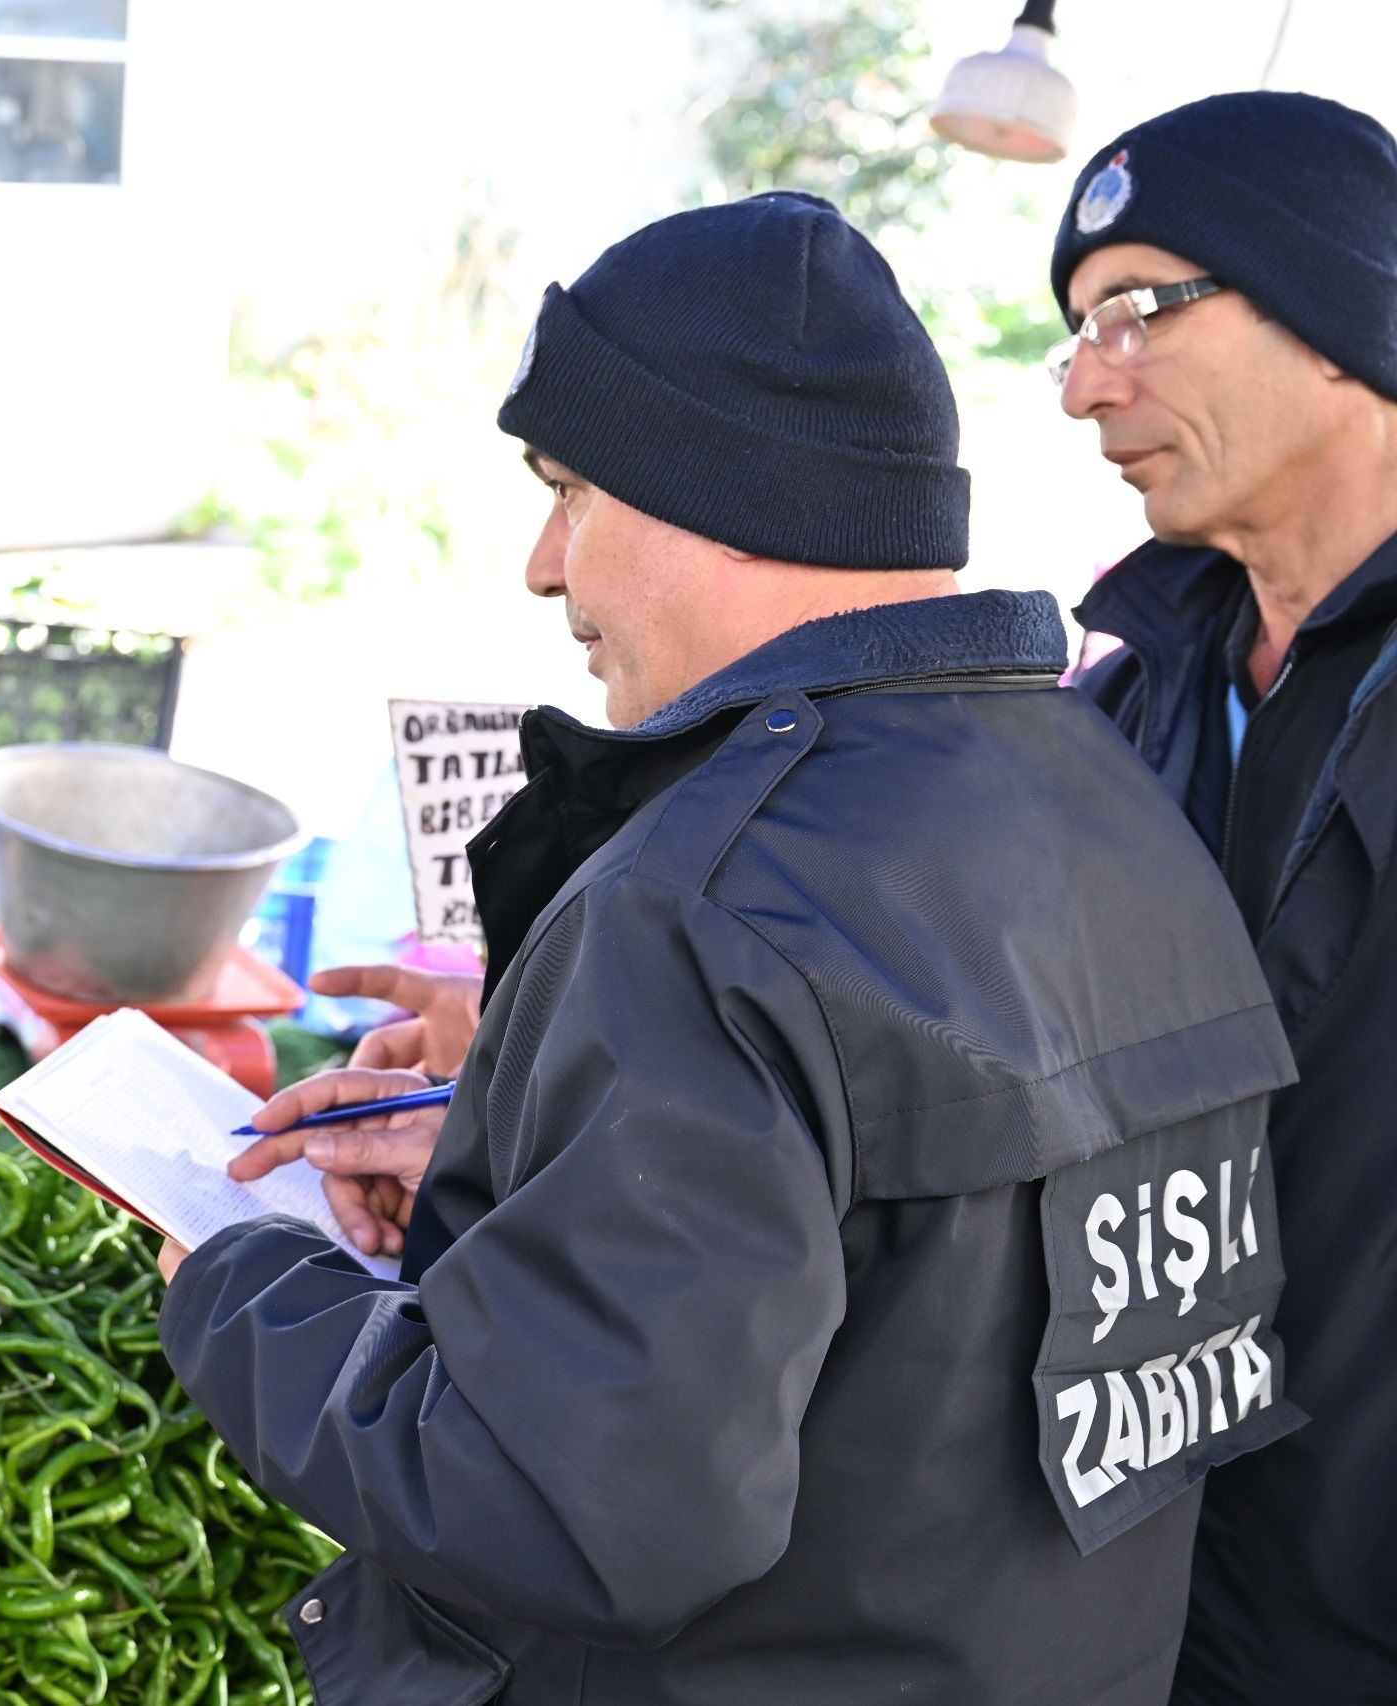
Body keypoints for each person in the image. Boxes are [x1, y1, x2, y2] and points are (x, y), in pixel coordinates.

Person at [156, 194, 1303, 1703]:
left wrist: (242, 1284)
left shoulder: (705, 898)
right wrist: (544, 1161)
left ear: (719, 491)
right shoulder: (1117, 801)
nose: (541, 563)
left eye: (567, 487)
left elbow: (574, 1506)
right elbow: (930, 1278)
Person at [1051, 91, 1397, 1704]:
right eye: (1072, 329)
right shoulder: (1132, 701)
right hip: (1147, 1594)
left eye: (1136, 309)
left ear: (1340, 311)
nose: (1081, 383)